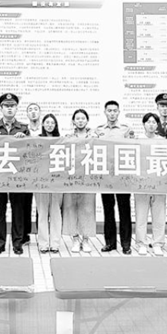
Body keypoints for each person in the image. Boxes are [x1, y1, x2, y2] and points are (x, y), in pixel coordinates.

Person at [0, 93, 29, 255]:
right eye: (6, 106)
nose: (9, 109)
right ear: (1, 108)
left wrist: (25, 139)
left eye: (12, 106)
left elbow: (31, 152)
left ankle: (17, 243)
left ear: (17, 108)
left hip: (17, 176)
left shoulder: (23, 128)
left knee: (18, 210)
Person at [95, 100, 134, 254]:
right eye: (109, 110)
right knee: (108, 210)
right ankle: (110, 243)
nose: (112, 113)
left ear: (119, 112)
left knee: (124, 210)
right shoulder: (98, 130)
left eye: (114, 111)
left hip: (122, 175)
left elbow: (133, 148)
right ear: (105, 112)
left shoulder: (126, 129)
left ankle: (126, 244)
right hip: (106, 176)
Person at [62, 109, 97, 253]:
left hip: (88, 178)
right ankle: (75, 239)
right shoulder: (67, 137)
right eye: (77, 118)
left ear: (87, 120)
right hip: (71, 178)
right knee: (71, 208)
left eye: (83, 118)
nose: (80, 121)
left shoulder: (94, 137)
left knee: (88, 209)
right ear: (73, 121)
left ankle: (86, 239)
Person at [134, 113, 167, 256]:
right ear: (143, 124)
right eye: (148, 122)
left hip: (159, 184)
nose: (151, 125)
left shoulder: (163, 141)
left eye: (154, 122)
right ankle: (141, 243)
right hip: (141, 184)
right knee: (141, 216)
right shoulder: (137, 140)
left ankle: (157, 243)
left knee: (159, 216)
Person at [35, 113, 63, 253]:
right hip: (40, 181)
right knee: (42, 213)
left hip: (57, 181)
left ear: (55, 125)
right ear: (43, 124)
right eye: (47, 122)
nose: (50, 125)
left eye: (52, 122)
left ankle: (55, 243)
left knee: (56, 212)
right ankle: (43, 243)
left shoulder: (62, 140)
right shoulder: (36, 140)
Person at [22, 102, 42, 244]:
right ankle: (25, 234)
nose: (33, 112)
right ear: (27, 114)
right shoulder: (22, 130)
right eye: (30, 110)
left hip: (42, 172)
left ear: (40, 112)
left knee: (41, 206)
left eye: (36, 109)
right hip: (26, 172)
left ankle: (42, 234)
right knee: (25, 204)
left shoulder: (45, 128)